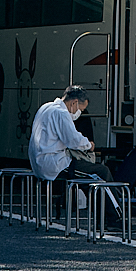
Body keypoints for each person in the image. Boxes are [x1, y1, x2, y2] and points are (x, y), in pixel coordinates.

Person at [29, 85, 120, 224]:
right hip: (55, 163)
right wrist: (89, 145)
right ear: (74, 103)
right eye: (81, 110)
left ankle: (103, 219)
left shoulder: (45, 107)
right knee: (102, 172)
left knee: (89, 176)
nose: (79, 113)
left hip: (40, 162)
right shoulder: (61, 113)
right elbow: (73, 140)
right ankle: (115, 219)